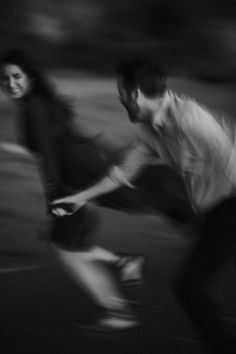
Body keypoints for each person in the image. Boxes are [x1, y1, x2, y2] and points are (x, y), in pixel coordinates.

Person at [53, 60, 236, 353]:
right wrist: (77, 198)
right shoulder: (153, 132)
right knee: (193, 288)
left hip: (230, 207)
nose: (120, 99)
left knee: (190, 288)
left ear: (135, 94)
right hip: (214, 213)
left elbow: (228, 153)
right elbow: (121, 174)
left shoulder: (189, 118)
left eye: (121, 92)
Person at [0, 49, 153, 332]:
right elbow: (51, 142)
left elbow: (47, 152)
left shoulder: (33, 107)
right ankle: (124, 262)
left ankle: (119, 311)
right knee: (70, 243)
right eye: (5, 79)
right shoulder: (39, 102)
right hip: (80, 168)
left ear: (30, 76)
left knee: (65, 249)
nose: (11, 84)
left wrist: (56, 196)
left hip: (72, 176)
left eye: (16, 76)